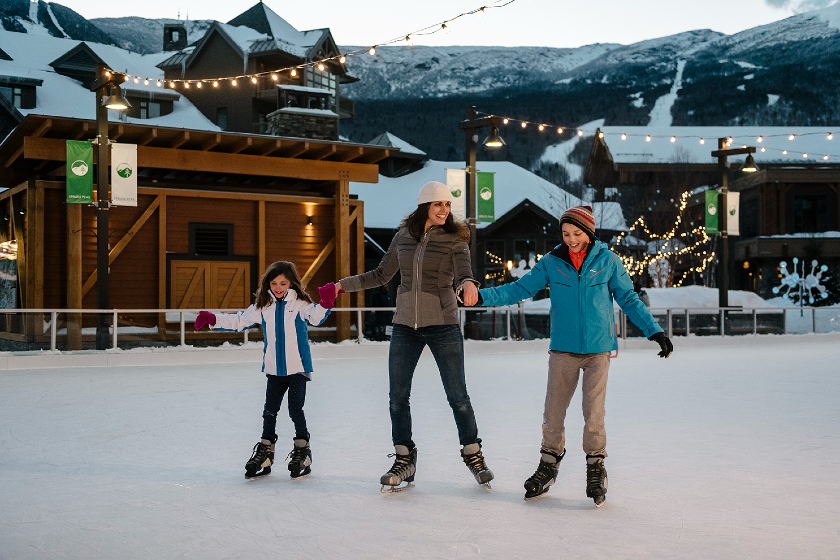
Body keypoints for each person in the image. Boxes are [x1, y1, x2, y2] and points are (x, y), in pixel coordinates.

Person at [476, 205, 673, 506]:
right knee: (553, 412)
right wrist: (481, 297)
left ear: (589, 232)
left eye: (577, 233)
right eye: (566, 234)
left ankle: (596, 467)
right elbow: (519, 289)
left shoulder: (608, 261)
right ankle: (548, 464)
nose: (570, 239)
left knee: (593, 413)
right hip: (563, 350)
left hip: (597, 351)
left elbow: (629, 299)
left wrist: (654, 331)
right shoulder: (552, 263)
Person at [319, 181, 493, 492]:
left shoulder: (456, 238)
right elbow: (380, 275)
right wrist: (340, 286)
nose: (444, 210)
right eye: (438, 204)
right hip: (405, 325)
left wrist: (469, 284)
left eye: (448, 205)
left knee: (458, 397)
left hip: (442, 323)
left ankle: (473, 454)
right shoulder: (404, 236)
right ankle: (404, 458)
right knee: (397, 397)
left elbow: (465, 271)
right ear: (424, 205)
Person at [194, 261, 333, 480]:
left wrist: (326, 302)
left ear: (291, 284)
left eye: (283, 283)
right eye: (274, 283)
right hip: (274, 370)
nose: (278, 287)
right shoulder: (263, 305)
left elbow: (317, 317)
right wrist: (213, 318)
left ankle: (303, 451)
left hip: (297, 368)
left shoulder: (299, 303)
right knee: (269, 411)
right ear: (268, 283)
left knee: (295, 410)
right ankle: (266, 452)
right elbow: (239, 321)